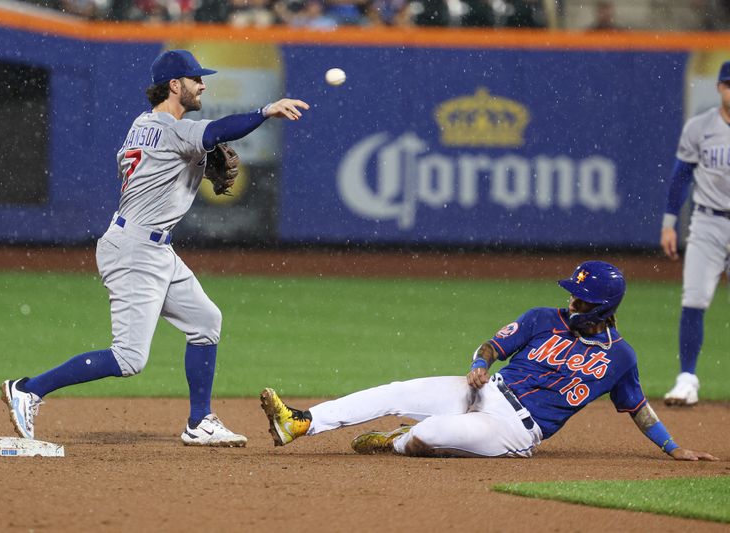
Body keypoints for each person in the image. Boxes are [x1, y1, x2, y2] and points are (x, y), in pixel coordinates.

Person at [1, 49, 310, 446]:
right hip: (134, 250)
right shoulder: (171, 129)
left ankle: (199, 421)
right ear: (174, 86)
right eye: (196, 78)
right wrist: (265, 111)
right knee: (129, 358)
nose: (203, 84)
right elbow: (217, 132)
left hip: (155, 247)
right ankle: (29, 390)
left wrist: (195, 166)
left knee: (205, 322)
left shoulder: (143, 125)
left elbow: (158, 164)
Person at [261, 261, 717, 461]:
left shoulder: (621, 357)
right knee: (396, 391)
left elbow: (637, 407)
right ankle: (300, 423)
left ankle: (397, 442)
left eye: (579, 299)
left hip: (514, 431)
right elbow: (491, 349)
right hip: (485, 390)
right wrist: (479, 363)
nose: (570, 302)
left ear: (601, 309)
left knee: (430, 433)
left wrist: (672, 447)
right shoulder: (543, 318)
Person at [660, 60, 730, 407]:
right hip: (708, 221)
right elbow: (680, 176)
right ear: (719, 87)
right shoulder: (700, 127)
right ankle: (687, 378)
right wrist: (669, 223)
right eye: (729, 84)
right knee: (693, 299)